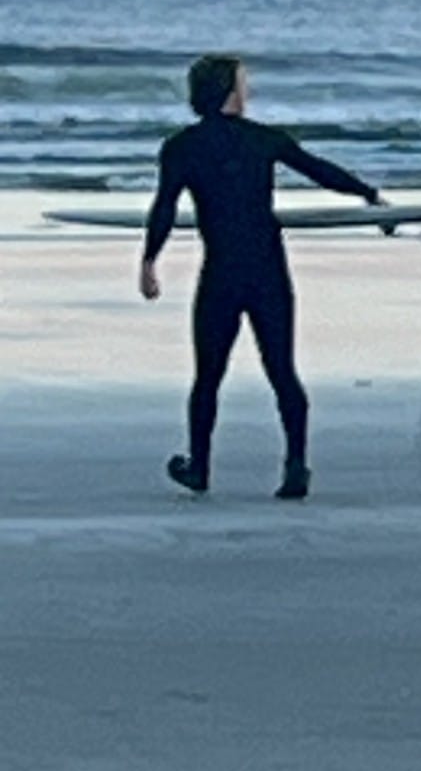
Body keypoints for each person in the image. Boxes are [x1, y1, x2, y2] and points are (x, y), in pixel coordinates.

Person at [140, 54, 381, 500]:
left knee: (208, 375)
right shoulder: (265, 140)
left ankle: (199, 468)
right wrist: (370, 195)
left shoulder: (181, 147)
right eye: (244, 81)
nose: (248, 88)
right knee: (282, 371)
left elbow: (165, 208)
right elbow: (321, 172)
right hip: (267, 271)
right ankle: (295, 466)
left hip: (221, 274)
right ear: (231, 88)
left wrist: (149, 261)